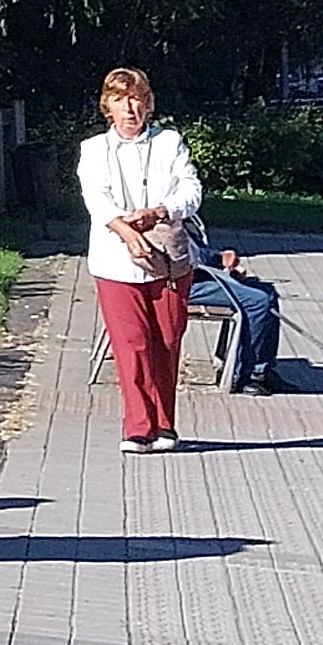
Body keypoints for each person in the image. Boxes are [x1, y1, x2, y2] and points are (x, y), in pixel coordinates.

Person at [80, 67, 207, 454]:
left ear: (148, 104)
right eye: (120, 100)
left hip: (168, 261)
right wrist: (127, 232)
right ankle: (138, 427)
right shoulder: (94, 149)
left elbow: (191, 189)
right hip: (115, 263)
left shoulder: (169, 142)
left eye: (136, 99)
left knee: (166, 341)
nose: (129, 108)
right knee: (131, 344)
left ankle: (164, 424)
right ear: (108, 106)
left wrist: (159, 211)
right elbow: (96, 199)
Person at [185, 238, 284, 391]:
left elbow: (190, 249)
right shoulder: (161, 224)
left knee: (268, 292)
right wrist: (218, 260)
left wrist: (219, 260)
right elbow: (177, 253)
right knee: (257, 301)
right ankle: (245, 376)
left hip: (194, 274)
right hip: (182, 284)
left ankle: (262, 369)